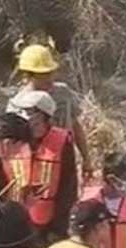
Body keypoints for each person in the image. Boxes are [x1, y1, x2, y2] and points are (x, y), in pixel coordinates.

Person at [0, 90, 78, 242]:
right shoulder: (10, 139)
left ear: (45, 115)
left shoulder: (61, 140)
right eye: (20, 110)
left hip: (46, 222)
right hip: (11, 219)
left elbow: (68, 186)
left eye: (29, 112)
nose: (23, 115)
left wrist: (59, 226)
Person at [7, 43, 92, 175]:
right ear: (29, 75)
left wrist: (86, 159)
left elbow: (75, 126)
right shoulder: (17, 105)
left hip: (66, 161)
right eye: (43, 74)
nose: (50, 78)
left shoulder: (62, 92)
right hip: (40, 169)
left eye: (50, 72)